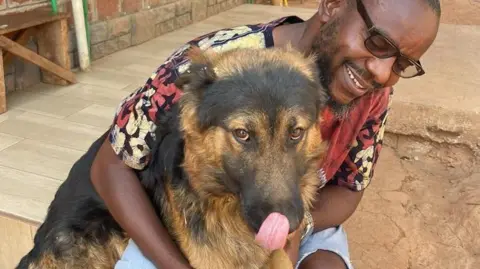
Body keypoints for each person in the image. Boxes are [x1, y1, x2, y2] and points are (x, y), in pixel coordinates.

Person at [90, 0, 441, 268]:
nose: (381, 71)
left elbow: (350, 189)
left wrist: (295, 229)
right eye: (377, 41)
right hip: (198, 220)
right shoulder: (214, 68)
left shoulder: (373, 94)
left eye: (401, 64)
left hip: (301, 213)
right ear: (333, 4)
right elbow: (110, 165)